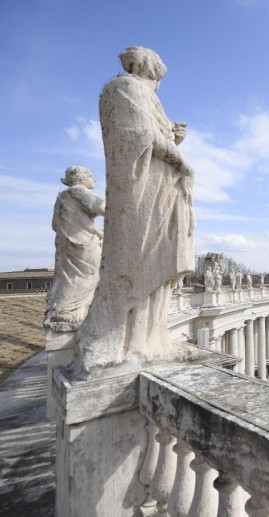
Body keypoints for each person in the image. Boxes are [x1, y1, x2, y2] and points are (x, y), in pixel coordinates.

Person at [77, 46, 194, 373]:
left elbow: (150, 140)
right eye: (159, 80)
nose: (159, 87)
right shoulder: (126, 88)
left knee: (153, 260)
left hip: (154, 189)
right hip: (142, 194)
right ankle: (135, 342)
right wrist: (180, 157)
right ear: (151, 71)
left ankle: (149, 338)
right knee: (144, 260)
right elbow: (139, 138)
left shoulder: (133, 92)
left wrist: (172, 139)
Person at [45, 166, 105, 333]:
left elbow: (54, 224)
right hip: (83, 247)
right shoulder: (79, 191)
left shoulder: (61, 197)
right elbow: (102, 207)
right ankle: (71, 314)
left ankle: (63, 310)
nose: (94, 179)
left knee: (70, 278)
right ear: (80, 179)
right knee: (88, 277)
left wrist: (92, 229)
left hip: (66, 247)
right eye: (90, 175)